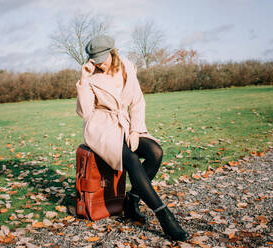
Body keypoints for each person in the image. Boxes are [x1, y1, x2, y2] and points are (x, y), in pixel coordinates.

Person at [75, 34, 190, 241]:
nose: (99, 64)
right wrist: (83, 79)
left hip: (126, 124)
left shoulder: (127, 67)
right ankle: (164, 215)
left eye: (102, 58)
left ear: (112, 52)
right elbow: (85, 112)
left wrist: (136, 130)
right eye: (95, 60)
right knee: (131, 159)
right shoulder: (90, 78)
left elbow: (137, 101)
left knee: (155, 152)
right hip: (101, 128)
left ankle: (132, 199)